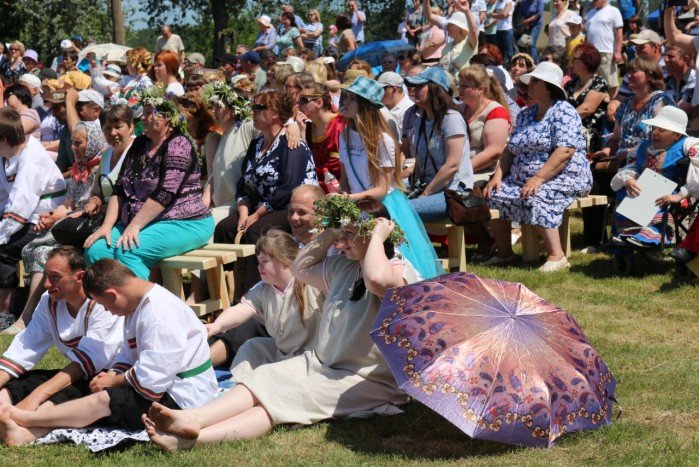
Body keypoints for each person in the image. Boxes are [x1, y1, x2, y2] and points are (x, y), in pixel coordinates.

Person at [141, 198, 418, 451]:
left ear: (371, 235)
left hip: (363, 379)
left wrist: (378, 239)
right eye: (342, 234)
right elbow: (300, 268)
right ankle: (194, 418)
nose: (342, 242)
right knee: (264, 378)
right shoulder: (342, 268)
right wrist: (330, 231)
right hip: (323, 365)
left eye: (349, 234)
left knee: (280, 399)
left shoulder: (396, 270)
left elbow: (377, 281)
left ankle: (192, 440)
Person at [0, 259, 218, 445]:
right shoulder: (138, 305)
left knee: (107, 400)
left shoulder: (159, 315)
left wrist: (115, 381)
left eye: (103, 304)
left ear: (113, 294)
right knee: (91, 386)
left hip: (183, 396)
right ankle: (27, 432)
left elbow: (152, 380)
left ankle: (27, 420)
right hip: (158, 383)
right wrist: (111, 375)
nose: (106, 310)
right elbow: (129, 353)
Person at [84, 87, 213, 279]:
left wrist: (135, 225)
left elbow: (165, 193)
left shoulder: (179, 144)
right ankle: (111, 304)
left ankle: (142, 304)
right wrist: (107, 226)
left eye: (147, 114)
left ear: (166, 118)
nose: (142, 118)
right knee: (97, 251)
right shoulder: (140, 144)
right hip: (144, 221)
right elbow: (119, 188)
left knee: (129, 251)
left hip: (184, 221)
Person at [483, 62, 592, 272]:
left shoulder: (564, 111)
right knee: (491, 195)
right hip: (523, 177)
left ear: (549, 86)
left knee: (537, 195)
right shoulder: (525, 114)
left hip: (564, 175)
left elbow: (565, 151)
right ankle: (505, 253)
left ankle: (556, 256)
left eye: (535, 81)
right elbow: (510, 149)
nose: (529, 85)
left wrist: (539, 177)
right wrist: (497, 176)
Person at [339, 75, 442, 279]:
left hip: (382, 205)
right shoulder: (345, 135)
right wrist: (342, 196)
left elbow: (381, 189)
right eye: (345, 96)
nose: (345, 102)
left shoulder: (382, 140)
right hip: (355, 204)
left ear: (365, 104)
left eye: (352, 98)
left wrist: (350, 199)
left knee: (393, 259)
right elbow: (345, 178)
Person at [213, 91, 318, 291]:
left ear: (275, 114)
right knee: (225, 228)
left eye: (258, 108)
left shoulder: (291, 143)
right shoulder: (257, 143)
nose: (252, 112)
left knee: (256, 233)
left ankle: (256, 292)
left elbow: (288, 188)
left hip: (289, 207)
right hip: (258, 207)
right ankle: (225, 290)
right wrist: (244, 212)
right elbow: (245, 182)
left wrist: (255, 215)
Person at [0, 247, 123, 410]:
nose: (46, 284)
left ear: (79, 277)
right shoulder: (49, 302)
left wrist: (36, 397)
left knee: (61, 395)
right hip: (77, 374)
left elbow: (90, 360)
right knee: (22, 382)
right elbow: (26, 347)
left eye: (55, 277)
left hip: (109, 377)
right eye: (46, 276)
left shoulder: (102, 304)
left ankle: (23, 420)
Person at [19, 122, 108, 325]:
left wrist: (65, 216)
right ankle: (42, 313)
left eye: (78, 143)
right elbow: (68, 206)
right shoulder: (80, 169)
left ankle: (28, 316)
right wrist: (51, 216)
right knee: (31, 247)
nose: (72, 147)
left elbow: (88, 209)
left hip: (85, 231)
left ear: (92, 142)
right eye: (72, 143)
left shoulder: (100, 169)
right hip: (71, 228)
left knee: (44, 254)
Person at [207, 229, 323, 370]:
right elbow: (240, 310)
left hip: (313, 358)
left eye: (265, 261)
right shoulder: (263, 289)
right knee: (251, 347)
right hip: (284, 354)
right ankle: (239, 384)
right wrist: (216, 326)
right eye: (258, 261)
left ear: (285, 262)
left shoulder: (311, 281)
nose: (259, 266)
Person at [0, 108, 66, 324]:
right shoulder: (8, 153)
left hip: (43, 217)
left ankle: (5, 310)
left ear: (4, 138)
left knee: (6, 249)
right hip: (24, 215)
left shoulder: (31, 159)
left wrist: (2, 233)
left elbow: (21, 205)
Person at [611, 106, 694, 249]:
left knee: (660, 200)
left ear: (677, 135)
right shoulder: (643, 147)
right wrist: (628, 179)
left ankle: (652, 235)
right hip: (644, 191)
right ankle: (624, 235)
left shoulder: (687, 145)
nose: (655, 132)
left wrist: (681, 194)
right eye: (654, 128)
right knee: (624, 193)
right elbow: (630, 168)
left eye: (661, 130)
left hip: (671, 194)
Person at [404, 67, 475, 219]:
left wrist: (424, 194)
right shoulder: (421, 119)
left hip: (453, 192)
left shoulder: (451, 119)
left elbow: (452, 166)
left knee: (401, 210)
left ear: (435, 89)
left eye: (419, 86)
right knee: (388, 200)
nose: (412, 91)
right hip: (429, 186)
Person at [590, 58, 674, 171]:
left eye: (634, 72)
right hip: (621, 163)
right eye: (628, 72)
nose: (629, 75)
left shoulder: (660, 100)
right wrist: (605, 152)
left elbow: (664, 139)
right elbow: (615, 139)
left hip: (647, 162)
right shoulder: (625, 104)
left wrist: (632, 153)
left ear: (649, 75)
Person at [565, 43, 609, 252]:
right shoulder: (570, 84)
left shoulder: (599, 83)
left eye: (576, 58)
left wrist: (560, 118)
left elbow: (587, 109)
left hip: (592, 144)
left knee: (595, 188)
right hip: (570, 141)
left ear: (586, 61)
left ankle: (596, 240)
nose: (572, 61)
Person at [200, 81, 256, 221]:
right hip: (220, 207)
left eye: (218, 107)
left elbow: (274, 128)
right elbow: (213, 178)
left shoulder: (246, 126)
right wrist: (200, 209)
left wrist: (292, 126)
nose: (213, 111)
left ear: (232, 110)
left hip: (239, 205)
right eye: (212, 106)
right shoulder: (223, 136)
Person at [458, 66, 511, 183]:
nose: (460, 90)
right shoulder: (459, 109)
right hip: (457, 169)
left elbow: (494, 152)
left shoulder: (496, 111)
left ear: (480, 89)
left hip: (483, 173)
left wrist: (460, 171)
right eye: (460, 85)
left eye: (465, 86)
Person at [297, 82, 343, 184]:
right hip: (315, 185)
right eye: (298, 100)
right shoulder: (307, 127)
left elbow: (337, 166)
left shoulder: (339, 125)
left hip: (339, 188)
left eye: (303, 100)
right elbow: (303, 162)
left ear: (319, 103)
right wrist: (302, 133)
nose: (298, 105)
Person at [423, 1, 479, 78]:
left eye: (450, 24)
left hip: (463, 86)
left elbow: (473, 31)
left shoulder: (469, 43)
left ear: (459, 27)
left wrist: (467, 11)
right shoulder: (448, 46)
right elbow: (441, 66)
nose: (447, 26)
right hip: (447, 86)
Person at [584, 0, 623, 99]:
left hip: (607, 53)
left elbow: (619, 34)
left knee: (611, 84)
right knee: (592, 82)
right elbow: (587, 35)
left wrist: (618, 51)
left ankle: (611, 104)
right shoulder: (590, 13)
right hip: (591, 54)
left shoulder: (613, 11)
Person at [378, 72, 414, 138]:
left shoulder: (409, 110)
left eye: (382, 89)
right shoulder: (380, 106)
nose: (379, 92)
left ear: (394, 89)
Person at [664, 44, 696, 114]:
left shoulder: (695, 80)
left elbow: (680, 110)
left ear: (685, 59)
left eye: (671, 56)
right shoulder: (666, 80)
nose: (665, 60)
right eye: (665, 55)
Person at [492, 0, 515, 66]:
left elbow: (504, 14)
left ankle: (512, 66)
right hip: (498, 29)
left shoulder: (508, 2)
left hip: (507, 29)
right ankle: (502, 66)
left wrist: (497, 15)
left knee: (509, 52)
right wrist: (500, 14)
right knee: (500, 51)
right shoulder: (497, 3)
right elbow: (491, 14)